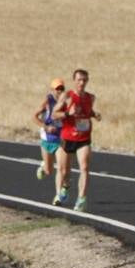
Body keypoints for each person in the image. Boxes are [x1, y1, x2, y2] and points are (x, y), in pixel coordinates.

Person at [51, 68, 101, 212]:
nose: (82, 83)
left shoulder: (91, 97)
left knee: (84, 168)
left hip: (84, 137)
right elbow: (54, 114)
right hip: (67, 137)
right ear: (74, 81)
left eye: (84, 80)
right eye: (79, 80)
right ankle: (62, 189)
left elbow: (88, 111)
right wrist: (67, 113)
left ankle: (81, 199)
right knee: (63, 170)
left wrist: (94, 114)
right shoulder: (67, 96)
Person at [33, 77, 65, 182]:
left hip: (59, 139)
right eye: (57, 89)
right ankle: (43, 166)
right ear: (52, 90)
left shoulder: (65, 103)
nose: (60, 91)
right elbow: (34, 117)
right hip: (47, 139)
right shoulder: (47, 102)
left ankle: (61, 192)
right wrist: (46, 127)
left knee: (61, 168)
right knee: (49, 171)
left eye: (62, 88)